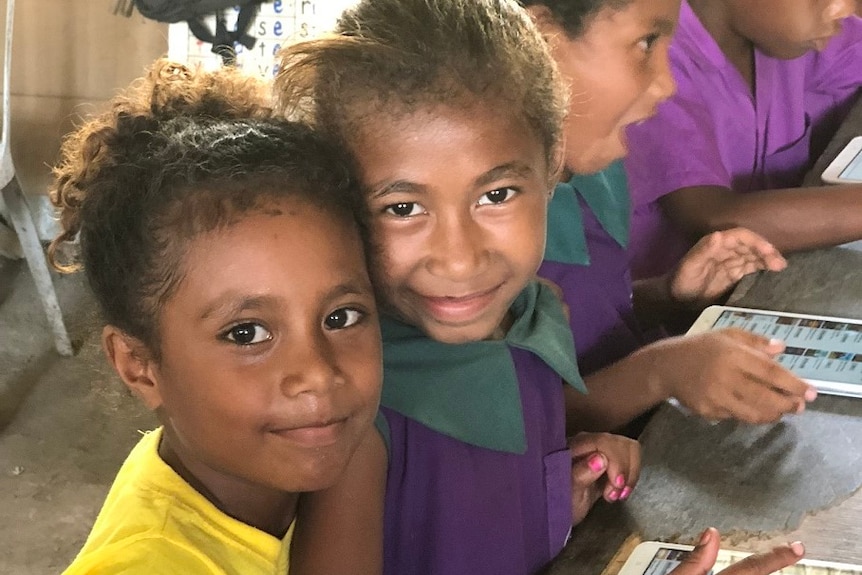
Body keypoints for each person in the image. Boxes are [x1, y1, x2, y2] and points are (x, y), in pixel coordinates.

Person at [275, 1, 642, 573]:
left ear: (551, 170)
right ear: (336, 209)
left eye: (496, 195)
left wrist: (553, 491)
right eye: (402, 207)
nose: (459, 256)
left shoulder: (532, 315)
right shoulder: (347, 414)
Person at [48, 60, 383, 575]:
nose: (318, 372)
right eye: (247, 333)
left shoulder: (241, 464)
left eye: (341, 316)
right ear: (139, 365)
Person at [521, 0, 818, 433]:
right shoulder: (478, 227)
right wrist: (658, 373)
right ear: (540, 40)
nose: (667, 83)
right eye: (645, 43)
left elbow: (589, 325)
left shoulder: (596, 175)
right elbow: (504, 432)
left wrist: (666, 294)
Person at [623, 0, 862, 280]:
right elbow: (713, 217)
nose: (843, 8)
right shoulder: (654, 64)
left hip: (765, 283)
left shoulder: (781, 35)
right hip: (674, 314)